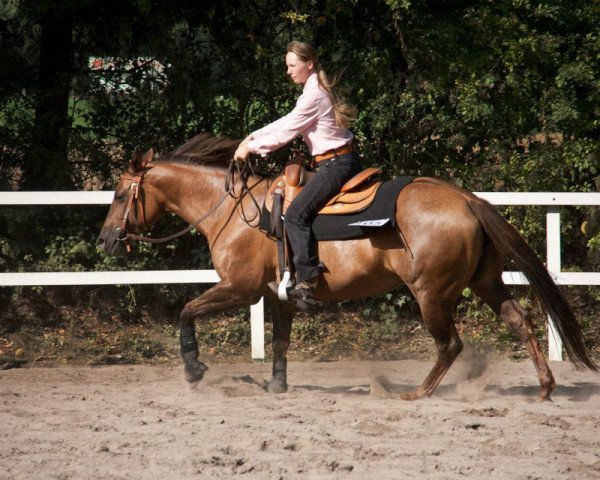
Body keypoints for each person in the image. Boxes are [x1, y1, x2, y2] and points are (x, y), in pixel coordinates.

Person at [234, 40, 361, 309]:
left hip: (335, 164)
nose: (289, 71)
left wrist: (252, 148)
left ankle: (307, 282)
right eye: (287, 66)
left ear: (309, 64)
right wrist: (253, 137)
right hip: (334, 161)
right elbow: (288, 121)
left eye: (292, 66)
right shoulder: (312, 91)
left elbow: (287, 130)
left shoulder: (313, 95)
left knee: (295, 214)